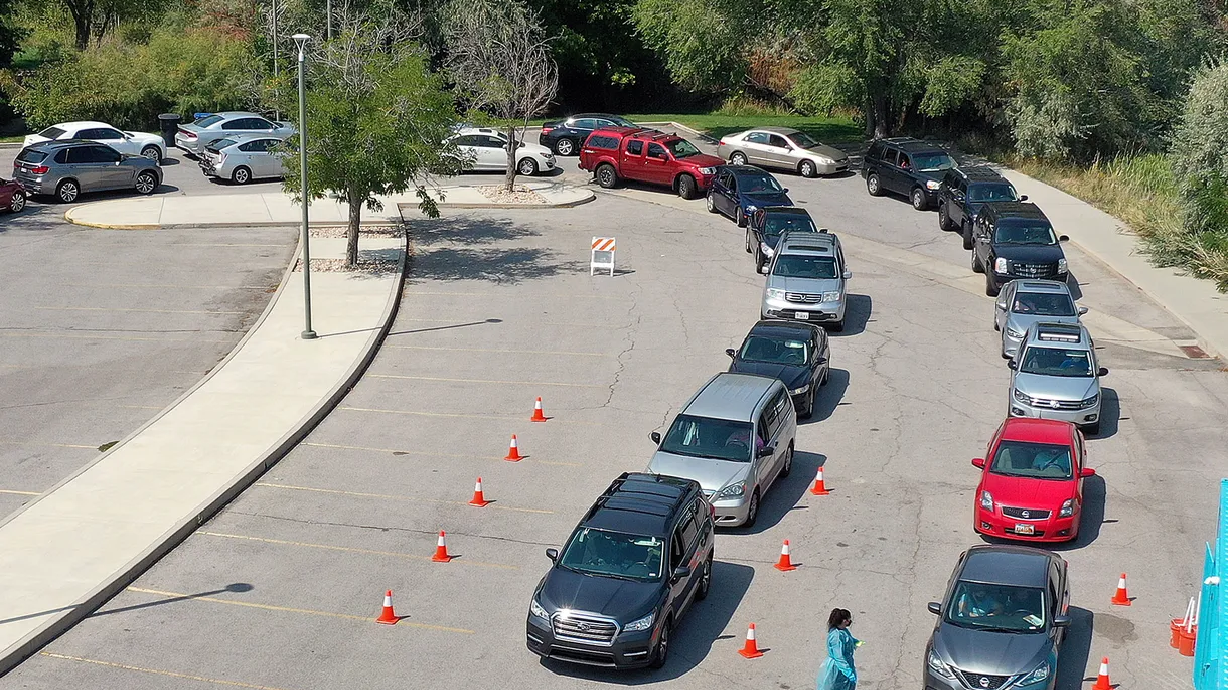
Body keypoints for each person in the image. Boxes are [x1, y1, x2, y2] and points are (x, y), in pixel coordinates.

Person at [817, 608, 860, 690]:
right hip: (838, 667)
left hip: (846, 663)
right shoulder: (836, 637)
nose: (849, 622)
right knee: (838, 686)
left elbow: (849, 639)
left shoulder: (844, 630)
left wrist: (856, 642)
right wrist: (847, 672)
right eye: (847, 619)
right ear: (842, 621)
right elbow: (839, 657)